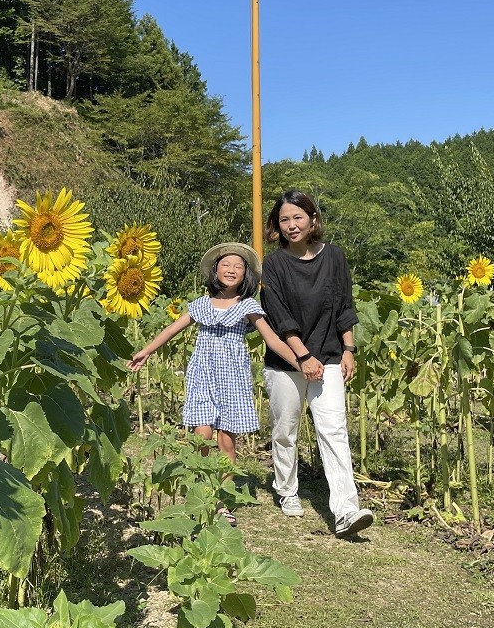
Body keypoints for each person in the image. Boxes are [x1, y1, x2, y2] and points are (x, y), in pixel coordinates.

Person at [128, 242, 302, 525]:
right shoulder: (201, 305)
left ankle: (220, 502)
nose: (232, 270)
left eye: (238, 267)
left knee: (226, 442)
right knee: (202, 437)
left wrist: (301, 363)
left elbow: (272, 339)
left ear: (245, 276)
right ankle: (202, 492)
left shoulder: (247, 306)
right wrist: (146, 351)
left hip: (233, 379)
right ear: (215, 271)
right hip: (202, 376)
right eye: (226, 265)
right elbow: (172, 329)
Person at [260, 190, 374, 537]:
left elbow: (344, 305)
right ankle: (287, 490)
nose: (292, 225)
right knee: (285, 431)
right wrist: (302, 356)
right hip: (287, 361)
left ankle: (345, 511)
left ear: (313, 219)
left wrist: (349, 349)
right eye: (284, 220)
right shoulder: (274, 264)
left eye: (298, 217)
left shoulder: (335, 257)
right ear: (276, 227)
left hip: (328, 357)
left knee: (334, 430)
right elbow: (279, 317)